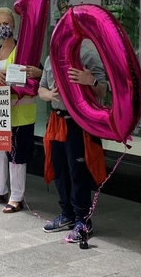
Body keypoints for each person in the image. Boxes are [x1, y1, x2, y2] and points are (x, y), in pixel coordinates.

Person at [0, 7, 42, 213]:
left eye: (6, 24)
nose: (3, 28)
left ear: (13, 26)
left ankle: (16, 196)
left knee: (16, 156)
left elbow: (36, 75)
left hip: (19, 113)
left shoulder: (23, 50)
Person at [39, 42, 107, 242]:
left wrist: (90, 81)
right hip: (56, 121)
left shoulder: (88, 56)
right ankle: (67, 215)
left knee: (78, 173)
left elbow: (103, 92)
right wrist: (49, 94)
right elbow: (41, 89)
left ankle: (83, 220)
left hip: (79, 124)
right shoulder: (51, 57)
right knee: (59, 170)